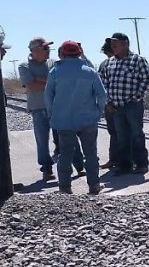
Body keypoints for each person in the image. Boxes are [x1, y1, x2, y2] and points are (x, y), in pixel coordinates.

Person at [44, 41, 106, 195]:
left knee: (65, 154)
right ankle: (94, 186)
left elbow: (48, 97)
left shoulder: (55, 72)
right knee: (91, 154)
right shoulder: (90, 72)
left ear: (62, 54)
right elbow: (102, 95)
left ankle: (65, 188)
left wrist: (52, 115)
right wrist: (99, 111)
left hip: (64, 121)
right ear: (79, 53)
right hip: (88, 120)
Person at [99, 32, 149, 175]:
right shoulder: (109, 62)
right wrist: (108, 102)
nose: (112, 46)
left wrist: (138, 96)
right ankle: (124, 165)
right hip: (116, 106)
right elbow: (104, 83)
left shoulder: (137, 60)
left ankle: (141, 164)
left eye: (116, 43)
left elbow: (146, 78)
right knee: (121, 137)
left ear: (125, 43)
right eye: (111, 43)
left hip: (132, 104)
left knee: (136, 135)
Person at [18, 37, 56, 180]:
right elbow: (31, 86)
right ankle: (47, 168)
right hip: (38, 108)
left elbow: (58, 83)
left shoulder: (53, 63)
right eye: (44, 48)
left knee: (67, 136)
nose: (48, 51)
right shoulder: (24, 66)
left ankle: (77, 165)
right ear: (34, 50)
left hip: (56, 106)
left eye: (48, 48)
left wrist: (40, 79)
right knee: (42, 140)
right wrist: (49, 81)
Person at [96, 39, 119, 168]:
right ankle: (115, 159)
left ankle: (122, 160)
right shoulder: (104, 64)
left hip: (116, 103)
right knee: (114, 133)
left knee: (119, 133)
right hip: (110, 103)